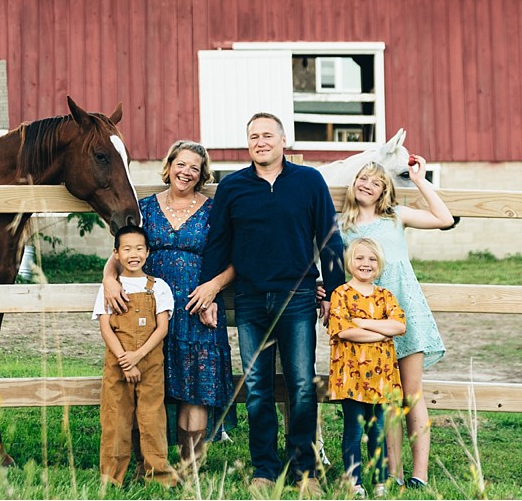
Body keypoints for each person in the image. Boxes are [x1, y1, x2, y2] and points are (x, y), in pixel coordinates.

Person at [192, 112, 345, 496]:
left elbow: (329, 238)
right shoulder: (233, 186)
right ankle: (263, 467)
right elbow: (218, 243)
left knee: (302, 386)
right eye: (253, 136)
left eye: (267, 135)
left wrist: (337, 293)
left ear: (283, 140)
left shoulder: (309, 181)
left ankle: (304, 471)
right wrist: (208, 291)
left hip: (298, 299)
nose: (260, 141)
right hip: (250, 299)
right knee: (258, 388)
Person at [101, 140, 234, 474]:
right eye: (181, 164)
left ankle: (190, 468)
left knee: (195, 389)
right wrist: (108, 279)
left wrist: (213, 288)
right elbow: (119, 252)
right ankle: (145, 462)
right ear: (169, 165)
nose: (186, 172)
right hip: (146, 311)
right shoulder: (145, 208)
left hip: (195, 308)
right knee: (145, 385)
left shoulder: (213, 210)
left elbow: (235, 259)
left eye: (194, 168)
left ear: (202, 175)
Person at [337, 159, 453, 490]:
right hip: (372, 321)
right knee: (387, 397)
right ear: (353, 183)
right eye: (362, 178)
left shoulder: (396, 217)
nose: (367, 184)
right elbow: (329, 263)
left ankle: (420, 475)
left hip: (407, 312)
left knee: (411, 395)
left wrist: (419, 180)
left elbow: (444, 218)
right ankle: (394, 473)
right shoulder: (342, 226)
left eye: (376, 182)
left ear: (385, 191)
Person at [92, 226, 179, 488]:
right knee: (115, 419)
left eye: (139, 248)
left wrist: (138, 356)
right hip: (118, 365)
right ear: (116, 253)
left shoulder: (159, 287)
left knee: (152, 419)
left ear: (148, 252)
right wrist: (124, 359)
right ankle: (111, 478)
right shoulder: (110, 289)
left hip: (151, 363)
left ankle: (158, 476)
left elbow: (162, 328)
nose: (134, 254)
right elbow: (105, 327)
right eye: (127, 249)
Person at [328, 237, 406, 498]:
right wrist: (380, 332)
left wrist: (362, 323)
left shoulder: (385, 296)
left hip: (381, 376)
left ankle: (380, 481)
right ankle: (354, 481)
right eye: (360, 258)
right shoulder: (340, 294)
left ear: (379, 264)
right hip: (350, 375)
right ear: (350, 262)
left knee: (377, 429)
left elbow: (399, 326)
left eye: (372, 259)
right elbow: (344, 331)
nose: (366, 263)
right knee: (353, 428)